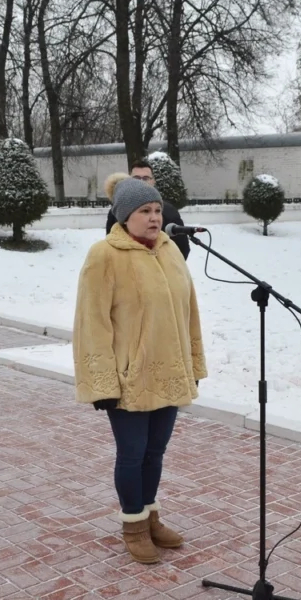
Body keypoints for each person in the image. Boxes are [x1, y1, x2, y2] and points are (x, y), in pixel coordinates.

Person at [74, 176, 208, 564]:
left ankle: (151, 517)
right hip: (127, 378)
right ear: (123, 216)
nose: (154, 218)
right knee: (132, 454)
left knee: (156, 453)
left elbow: (189, 314)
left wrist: (192, 364)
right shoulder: (104, 255)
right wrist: (102, 383)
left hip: (168, 372)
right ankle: (133, 525)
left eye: (156, 210)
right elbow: (91, 323)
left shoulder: (170, 252)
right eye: (144, 212)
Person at [105, 159, 191, 260]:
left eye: (146, 178)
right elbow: (111, 243)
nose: (141, 182)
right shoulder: (116, 211)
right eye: (136, 178)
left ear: (153, 181)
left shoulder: (169, 212)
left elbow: (181, 250)